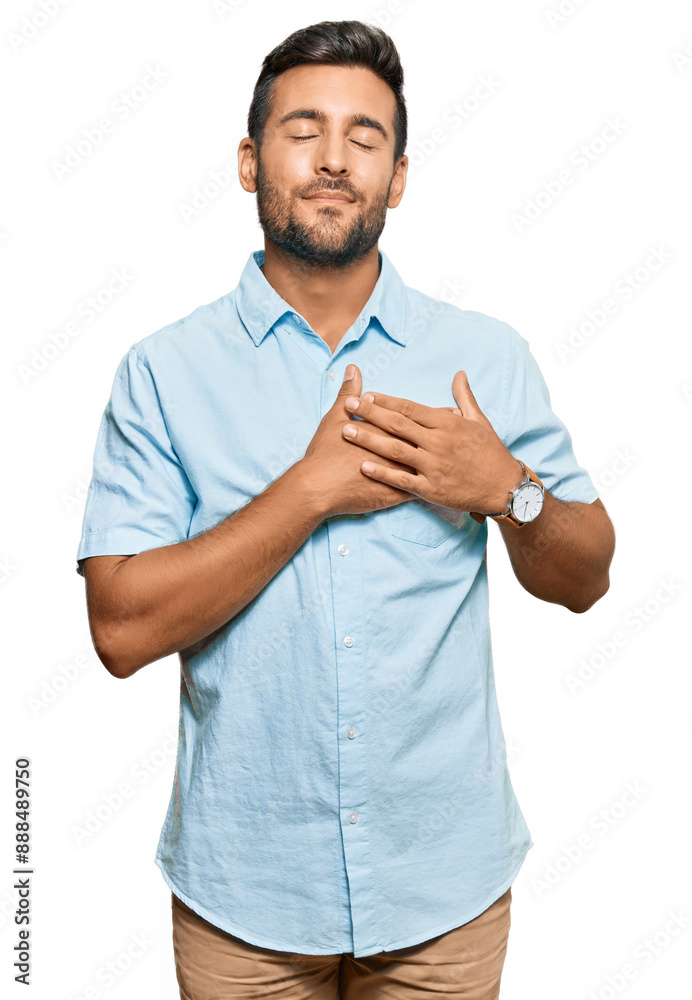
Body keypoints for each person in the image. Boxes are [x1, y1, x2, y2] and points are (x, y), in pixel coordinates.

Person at [76, 19, 616, 1000]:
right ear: (248, 161)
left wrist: (507, 490)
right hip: (242, 903)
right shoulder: (162, 373)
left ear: (397, 176)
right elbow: (119, 626)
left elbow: (586, 573)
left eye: (364, 137)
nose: (333, 159)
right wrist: (312, 490)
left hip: (444, 896)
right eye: (302, 129)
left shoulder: (483, 357)